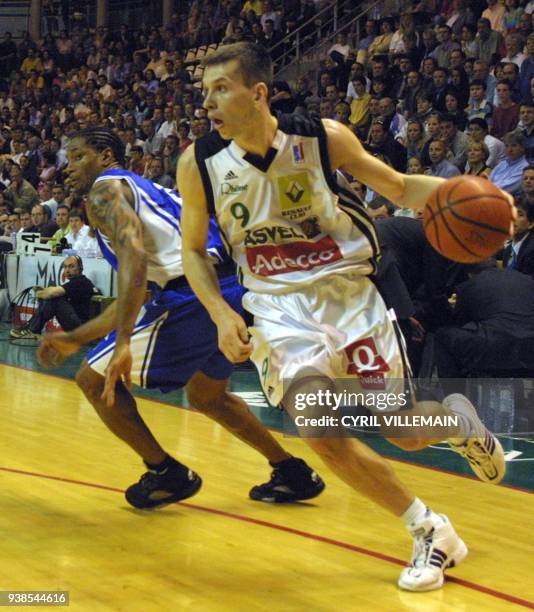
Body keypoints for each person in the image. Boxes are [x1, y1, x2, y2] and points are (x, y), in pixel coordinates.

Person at [178, 42, 508, 593]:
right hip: (278, 307)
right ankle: (431, 529)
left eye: (220, 89)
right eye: (205, 91)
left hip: (351, 296)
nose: (208, 101)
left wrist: (482, 199)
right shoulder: (200, 163)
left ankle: (457, 422)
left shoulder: (321, 137)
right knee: (319, 427)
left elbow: (399, 189)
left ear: (257, 93)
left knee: (401, 430)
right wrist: (218, 311)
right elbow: (193, 250)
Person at [37, 128, 324, 510]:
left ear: (106, 157)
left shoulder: (104, 191)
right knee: (208, 396)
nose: (66, 168)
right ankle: (291, 471)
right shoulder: (150, 191)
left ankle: (165, 472)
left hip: (191, 296)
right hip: (230, 289)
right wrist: (77, 337)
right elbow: (136, 292)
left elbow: (136, 268)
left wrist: (121, 342)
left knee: (92, 380)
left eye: (76, 156)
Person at [10, 255, 100, 340]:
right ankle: (31, 328)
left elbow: (52, 293)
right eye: (65, 267)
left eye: (71, 266)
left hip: (82, 329)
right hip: (82, 328)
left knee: (54, 299)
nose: (67, 270)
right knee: (54, 297)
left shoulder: (80, 283)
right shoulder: (79, 283)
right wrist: (45, 292)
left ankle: (32, 330)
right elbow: (54, 291)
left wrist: (39, 293)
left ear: (80, 268)